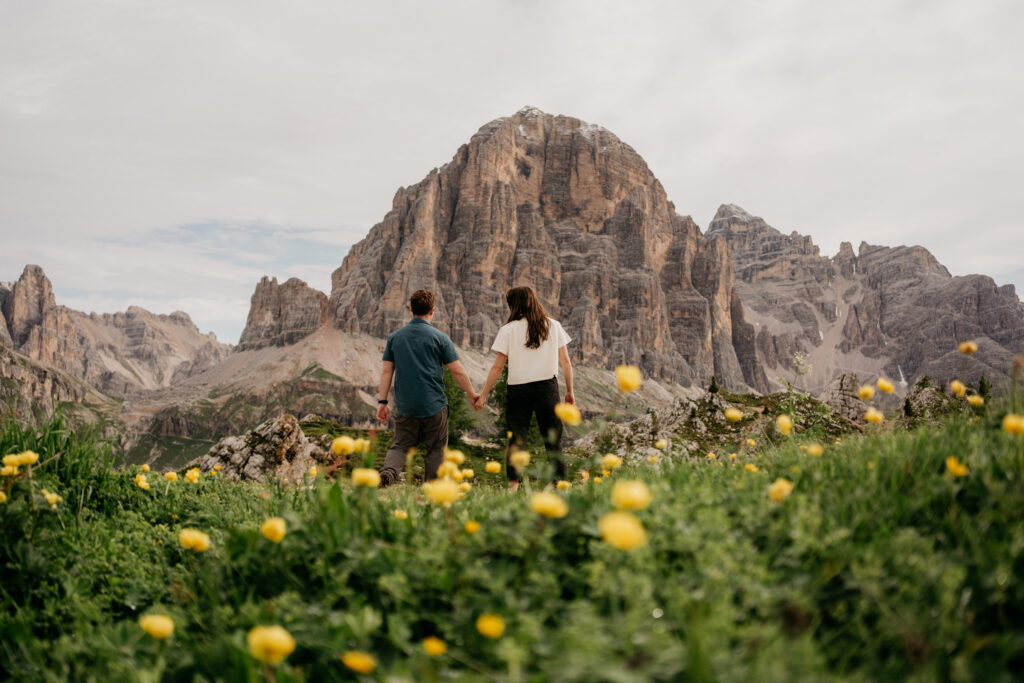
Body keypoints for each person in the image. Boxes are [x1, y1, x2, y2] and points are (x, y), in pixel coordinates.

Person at [475, 286, 574, 488]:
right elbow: (566, 362)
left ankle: (513, 486)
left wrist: (483, 394)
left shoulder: (508, 330)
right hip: (547, 387)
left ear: (513, 305)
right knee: (553, 439)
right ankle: (560, 487)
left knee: (516, 440)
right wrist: (570, 391)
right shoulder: (553, 325)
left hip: (518, 389)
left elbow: (497, 367)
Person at [377, 289, 479, 486]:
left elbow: (386, 372)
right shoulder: (440, 338)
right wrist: (472, 394)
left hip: (406, 406)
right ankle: (433, 489)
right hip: (434, 405)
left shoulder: (395, 337)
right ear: (432, 311)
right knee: (436, 450)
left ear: (410, 310)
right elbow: (457, 370)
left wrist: (382, 402)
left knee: (400, 445)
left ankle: (389, 472)